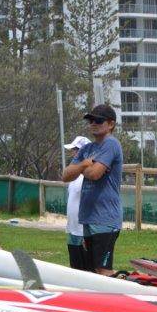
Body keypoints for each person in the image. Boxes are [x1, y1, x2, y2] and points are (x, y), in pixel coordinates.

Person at [62, 104, 123, 275]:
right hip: (88, 218)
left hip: (105, 218)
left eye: (98, 120)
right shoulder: (87, 149)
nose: (93, 123)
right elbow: (66, 175)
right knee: (91, 271)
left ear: (111, 124)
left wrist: (81, 169)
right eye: (91, 120)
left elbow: (95, 174)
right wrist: (84, 164)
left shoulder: (111, 144)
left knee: (103, 270)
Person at [63, 135, 91, 270]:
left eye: (76, 150)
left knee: (87, 268)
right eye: (74, 150)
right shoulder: (74, 175)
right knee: (74, 267)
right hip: (72, 228)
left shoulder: (90, 174)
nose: (73, 153)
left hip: (84, 230)